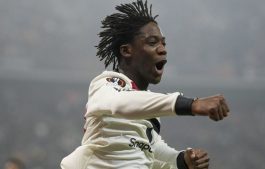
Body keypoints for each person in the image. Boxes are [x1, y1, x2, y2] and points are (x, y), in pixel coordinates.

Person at [60, 0, 230, 168]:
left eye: (163, 43)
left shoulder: (147, 109)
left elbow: (148, 148)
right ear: (127, 50)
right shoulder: (106, 84)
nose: (163, 49)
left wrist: (182, 160)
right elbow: (121, 104)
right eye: (152, 42)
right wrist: (190, 104)